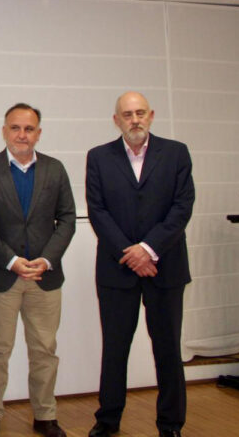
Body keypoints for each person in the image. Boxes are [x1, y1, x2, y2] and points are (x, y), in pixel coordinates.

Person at [85, 92, 194, 437]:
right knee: (115, 349)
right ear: (116, 120)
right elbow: (97, 210)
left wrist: (148, 249)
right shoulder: (99, 157)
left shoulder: (176, 153)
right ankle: (108, 420)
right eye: (127, 114)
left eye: (140, 113)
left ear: (151, 115)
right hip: (117, 270)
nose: (135, 119)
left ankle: (171, 423)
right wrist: (130, 254)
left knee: (167, 350)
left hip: (166, 267)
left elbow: (182, 207)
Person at [0, 104, 76, 437]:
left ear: (39, 133)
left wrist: (46, 260)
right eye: (15, 128)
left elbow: (67, 219)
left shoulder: (55, 170)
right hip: (1, 276)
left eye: (29, 129)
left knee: (44, 350)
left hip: (44, 278)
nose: (22, 135)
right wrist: (12, 261)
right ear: (4, 131)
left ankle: (45, 415)